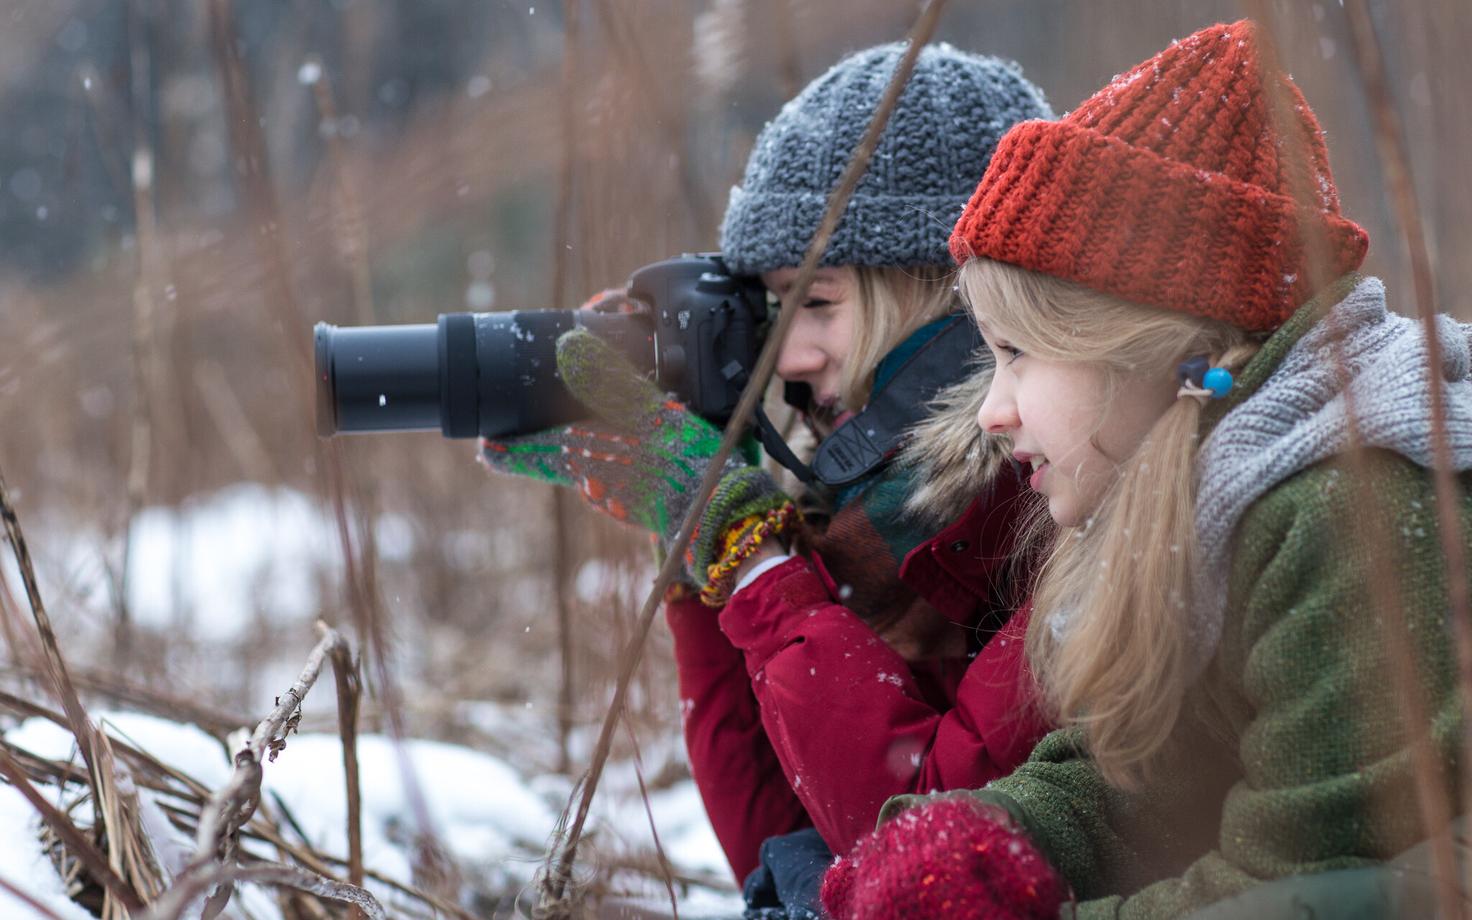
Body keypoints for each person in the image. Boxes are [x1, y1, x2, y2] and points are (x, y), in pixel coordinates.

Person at [817, 19, 1472, 920]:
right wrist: (976, 839)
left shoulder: (1349, 514)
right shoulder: (1208, 479)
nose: (992, 410)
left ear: (1148, 349)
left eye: (1017, 354)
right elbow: (1145, 780)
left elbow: (1314, 887)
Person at [477, 42, 1056, 905]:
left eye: (818, 302)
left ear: (950, 295)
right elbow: (783, 843)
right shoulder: (869, 513)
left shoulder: (1044, 506)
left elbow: (920, 849)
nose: (788, 356)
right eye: (776, 309)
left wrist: (754, 558)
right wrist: (701, 538)